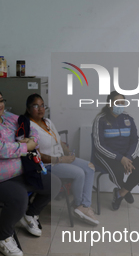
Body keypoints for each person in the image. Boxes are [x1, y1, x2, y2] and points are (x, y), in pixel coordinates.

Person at [0, 87, 61, 256]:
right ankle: (4, 238)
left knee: (54, 183)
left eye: (1, 100)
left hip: (19, 172)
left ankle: (31, 213)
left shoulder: (8, 118)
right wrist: (26, 147)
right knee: (19, 196)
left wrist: (31, 141)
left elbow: (32, 129)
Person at [25, 93, 99, 225]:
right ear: (28, 108)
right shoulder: (29, 127)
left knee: (89, 166)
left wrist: (68, 152)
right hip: (48, 165)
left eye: (42, 105)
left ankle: (84, 206)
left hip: (61, 158)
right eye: (36, 106)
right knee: (79, 173)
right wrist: (60, 160)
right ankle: (78, 205)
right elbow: (36, 155)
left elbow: (58, 142)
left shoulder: (47, 122)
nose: (41, 109)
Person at [92, 91, 139, 210]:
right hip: (105, 155)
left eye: (122, 102)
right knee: (117, 171)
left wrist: (128, 157)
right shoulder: (100, 119)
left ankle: (121, 193)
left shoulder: (128, 118)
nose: (120, 105)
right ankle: (125, 192)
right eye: (117, 102)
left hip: (126, 154)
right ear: (109, 104)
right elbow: (98, 144)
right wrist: (120, 159)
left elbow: (135, 140)